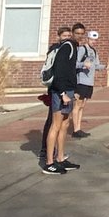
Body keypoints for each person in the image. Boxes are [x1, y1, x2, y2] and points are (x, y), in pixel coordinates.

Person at [42, 23, 82, 175]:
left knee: (65, 124)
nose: (79, 36)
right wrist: (62, 93)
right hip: (60, 91)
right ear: (72, 33)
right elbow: (59, 72)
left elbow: (70, 72)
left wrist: (74, 91)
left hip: (69, 90)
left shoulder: (73, 48)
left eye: (81, 33)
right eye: (76, 33)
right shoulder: (66, 48)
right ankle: (49, 162)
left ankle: (60, 158)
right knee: (56, 125)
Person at [38, 25, 72, 162]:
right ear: (58, 37)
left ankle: (57, 154)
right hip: (57, 88)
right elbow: (58, 71)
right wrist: (62, 91)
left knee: (59, 122)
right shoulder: (57, 50)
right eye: (64, 36)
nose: (66, 39)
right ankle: (48, 155)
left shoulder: (60, 49)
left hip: (57, 87)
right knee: (53, 123)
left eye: (68, 36)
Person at [71, 29, 106, 139]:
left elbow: (96, 65)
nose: (93, 42)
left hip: (89, 82)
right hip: (81, 81)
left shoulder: (94, 51)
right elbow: (74, 64)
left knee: (82, 105)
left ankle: (79, 128)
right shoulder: (82, 49)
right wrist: (83, 65)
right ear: (87, 39)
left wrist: (104, 67)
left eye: (95, 40)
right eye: (92, 39)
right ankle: (75, 129)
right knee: (77, 105)